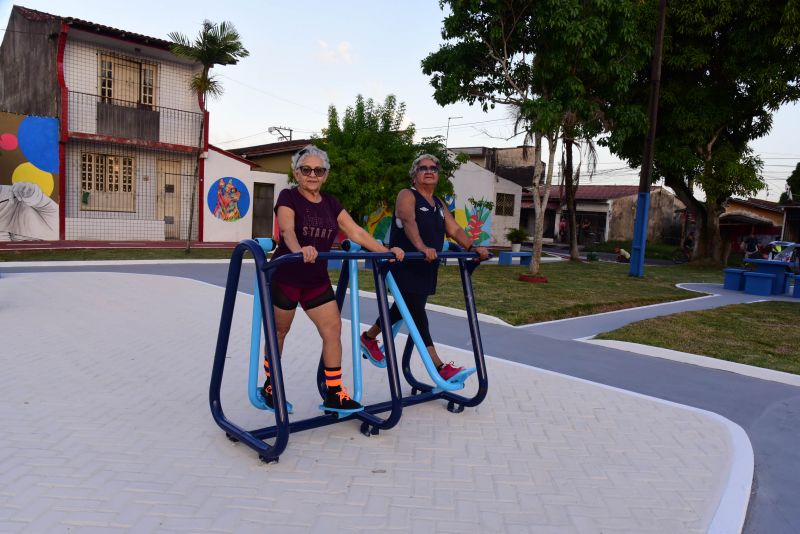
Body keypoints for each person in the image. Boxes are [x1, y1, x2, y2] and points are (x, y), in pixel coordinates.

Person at [265, 144, 405, 413]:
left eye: (319, 170)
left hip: (315, 279)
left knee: (332, 331)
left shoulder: (331, 203)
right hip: (287, 276)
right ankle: (271, 386)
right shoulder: (288, 197)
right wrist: (299, 251)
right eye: (306, 169)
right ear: (297, 173)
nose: (313, 174)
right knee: (279, 332)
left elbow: (357, 232)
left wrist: (386, 251)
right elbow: (287, 230)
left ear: (326, 174)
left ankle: (334, 393)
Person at [360, 154, 490, 380]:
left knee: (403, 309)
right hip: (406, 265)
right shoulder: (407, 195)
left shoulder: (438, 203)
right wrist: (422, 247)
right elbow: (407, 220)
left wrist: (473, 246)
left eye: (433, 168)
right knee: (418, 314)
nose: (429, 171)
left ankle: (369, 338)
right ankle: (440, 368)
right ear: (414, 174)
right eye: (423, 168)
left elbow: (455, 230)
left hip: (427, 267)